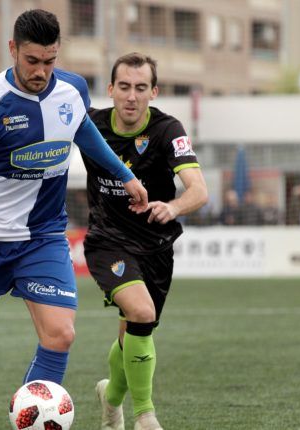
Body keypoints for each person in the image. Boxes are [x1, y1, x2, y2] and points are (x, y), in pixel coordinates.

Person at [0, 10, 148, 389]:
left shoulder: (72, 90)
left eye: (49, 62)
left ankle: (33, 413)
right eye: (32, 61)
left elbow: (84, 133)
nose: (41, 71)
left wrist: (125, 174)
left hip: (43, 236)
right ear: (13, 49)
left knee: (60, 334)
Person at [82, 52, 208, 430]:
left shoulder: (169, 131)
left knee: (133, 333)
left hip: (155, 248)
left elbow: (199, 191)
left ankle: (111, 399)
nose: (131, 96)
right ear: (110, 89)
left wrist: (172, 207)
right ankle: (146, 416)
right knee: (140, 312)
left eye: (140, 88)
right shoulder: (90, 125)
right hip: (107, 240)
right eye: (124, 87)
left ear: (153, 91)